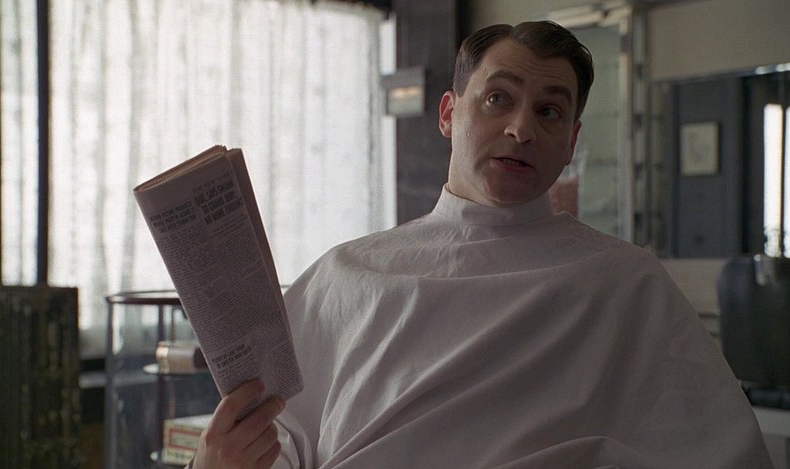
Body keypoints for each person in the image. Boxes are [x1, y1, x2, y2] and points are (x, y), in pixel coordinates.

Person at [192, 21, 772, 468]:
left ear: (571, 142)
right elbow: (279, 436)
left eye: (549, 111)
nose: (522, 129)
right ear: (449, 113)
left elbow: (723, 453)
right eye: (498, 99)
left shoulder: (624, 284)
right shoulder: (347, 274)